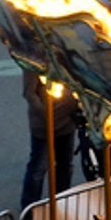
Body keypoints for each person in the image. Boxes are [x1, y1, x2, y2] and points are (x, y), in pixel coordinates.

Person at [21, 72, 79, 209]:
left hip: (67, 123)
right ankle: (31, 207)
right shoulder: (36, 62)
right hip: (44, 127)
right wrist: (45, 113)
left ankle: (62, 202)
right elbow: (29, 93)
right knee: (38, 169)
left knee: (65, 166)